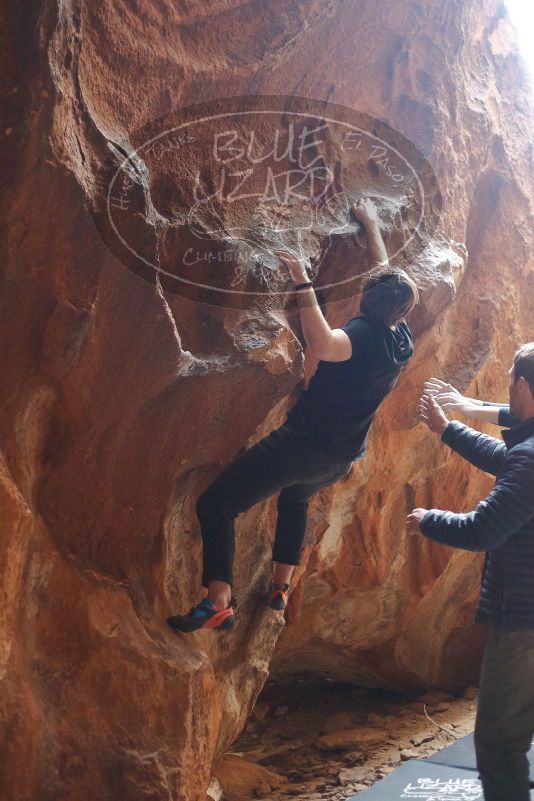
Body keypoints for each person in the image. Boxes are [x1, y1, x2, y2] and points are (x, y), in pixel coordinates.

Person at [168, 197, 419, 633]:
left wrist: (302, 281)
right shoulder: (401, 336)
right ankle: (280, 587)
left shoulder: (363, 333)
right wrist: (371, 225)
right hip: (340, 457)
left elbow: (321, 344)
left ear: (367, 298)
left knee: (217, 503)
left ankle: (217, 602)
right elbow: (388, 276)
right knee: (295, 497)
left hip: (305, 444)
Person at [407, 343, 534, 801]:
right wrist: (449, 429)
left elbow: (484, 529)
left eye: (510, 381)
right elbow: (510, 461)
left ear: (521, 385)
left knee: (500, 743)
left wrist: (428, 520)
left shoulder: (529, 457)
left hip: (524, 620)